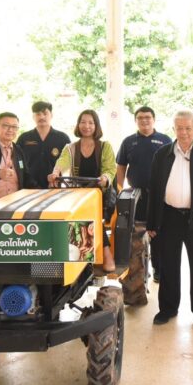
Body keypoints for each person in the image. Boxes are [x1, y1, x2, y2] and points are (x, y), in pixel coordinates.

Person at [145, 109, 193, 328]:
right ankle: (168, 308)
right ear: (174, 129)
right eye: (180, 128)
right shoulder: (162, 154)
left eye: (188, 128)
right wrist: (152, 222)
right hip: (169, 217)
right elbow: (154, 190)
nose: (184, 132)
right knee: (169, 265)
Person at [50, 109, 117, 271]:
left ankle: (106, 253)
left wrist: (105, 178)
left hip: (100, 194)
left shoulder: (105, 147)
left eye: (90, 123)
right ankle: (72, 255)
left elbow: (110, 169)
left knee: (91, 217)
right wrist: (55, 173)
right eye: (83, 122)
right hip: (78, 195)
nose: (86, 126)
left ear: (96, 126)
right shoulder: (70, 148)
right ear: (78, 125)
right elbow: (62, 162)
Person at [116, 106, 172, 292]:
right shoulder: (128, 142)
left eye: (147, 117)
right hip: (137, 196)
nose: (144, 120)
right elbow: (121, 167)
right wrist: (118, 191)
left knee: (159, 234)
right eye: (140, 118)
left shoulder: (165, 140)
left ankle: (159, 269)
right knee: (137, 235)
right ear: (136, 121)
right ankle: (139, 272)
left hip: (160, 196)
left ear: (154, 119)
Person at [18, 101, 71, 190]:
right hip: (28, 187)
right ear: (33, 117)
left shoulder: (62, 138)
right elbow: (18, 161)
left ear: (51, 115)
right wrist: (22, 172)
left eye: (45, 113)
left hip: (55, 186)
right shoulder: (24, 138)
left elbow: (69, 161)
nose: (42, 117)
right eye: (38, 114)